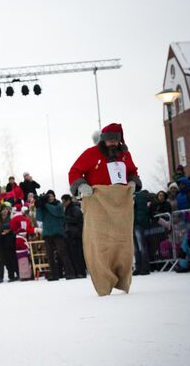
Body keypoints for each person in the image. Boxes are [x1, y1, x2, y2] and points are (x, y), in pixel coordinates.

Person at [68, 123, 141, 296]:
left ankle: (123, 278)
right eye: (108, 141)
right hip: (98, 203)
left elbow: (133, 172)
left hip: (121, 205)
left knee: (123, 244)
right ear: (102, 140)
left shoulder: (125, 154)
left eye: (115, 141)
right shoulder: (90, 154)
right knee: (99, 244)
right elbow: (74, 171)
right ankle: (103, 282)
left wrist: (133, 182)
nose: (112, 144)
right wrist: (81, 185)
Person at [36, 191, 76, 281]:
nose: (49, 198)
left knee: (63, 253)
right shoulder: (44, 206)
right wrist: (38, 206)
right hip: (47, 233)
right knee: (49, 255)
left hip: (58, 233)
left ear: (54, 197)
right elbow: (39, 218)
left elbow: (56, 212)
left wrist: (45, 204)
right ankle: (54, 275)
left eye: (51, 196)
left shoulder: (59, 205)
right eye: (48, 196)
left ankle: (70, 273)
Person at [61, 194, 86, 278]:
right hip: (70, 234)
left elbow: (77, 220)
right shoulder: (67, 209)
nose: (63, 203)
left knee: (78, 254)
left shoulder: (74, 208)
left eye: (64, 201)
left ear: (68, 200)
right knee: (73, 254)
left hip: (75, 234)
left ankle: (81, 272)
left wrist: (65, 218)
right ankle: (77, 272)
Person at [0, 205, 17, 282]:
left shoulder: (11, 218)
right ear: (0, 211)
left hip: (10, 242)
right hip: (0, 243)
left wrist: (9, 232)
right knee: (1, 261)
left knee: (11, 260)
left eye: (6, 209)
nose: (5, 211)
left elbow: (14, 228)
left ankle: (12, 276)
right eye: (3, 209)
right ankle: (0, 277)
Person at [133, 190, 151, 275]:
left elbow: (140, 211)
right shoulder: (134, 196)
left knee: (141, 247)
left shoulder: (139, 196)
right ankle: (139, 268)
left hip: (137, 223)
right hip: (133, 224)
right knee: (137, 248)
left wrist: (138, 221)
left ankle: (144, 267)